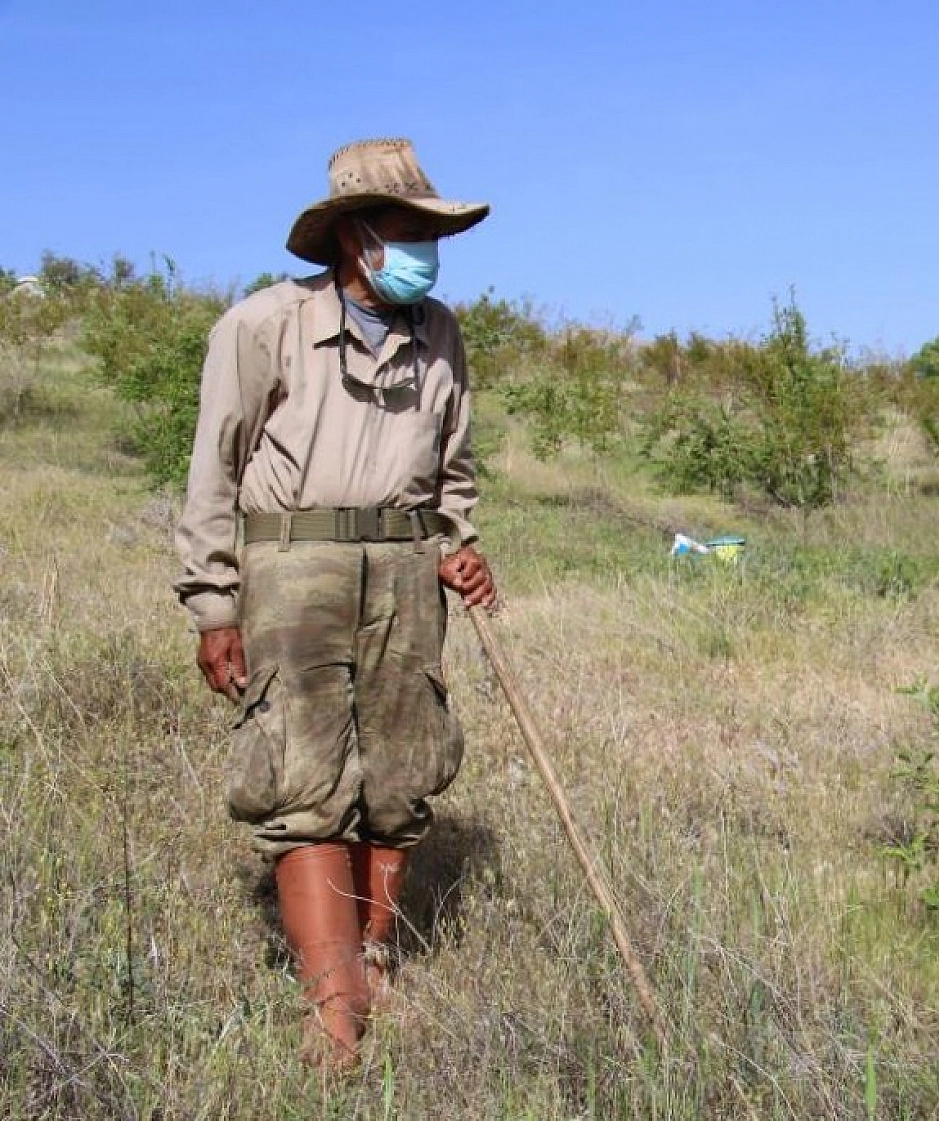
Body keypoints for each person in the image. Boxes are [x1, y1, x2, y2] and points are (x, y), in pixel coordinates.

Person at [173, 138, 498, 1068]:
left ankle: (374, 956)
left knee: (402, 771)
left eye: (431, 234)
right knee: (302, 777)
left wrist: (458, 545)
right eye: (408, 231)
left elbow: (454, 467)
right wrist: (214, 604)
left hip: (405, 567)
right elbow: (214, 471)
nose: (426, 251)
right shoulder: (261, 325)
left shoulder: (440, 332)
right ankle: (334, 1006)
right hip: (293, 565)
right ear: (355, 236)